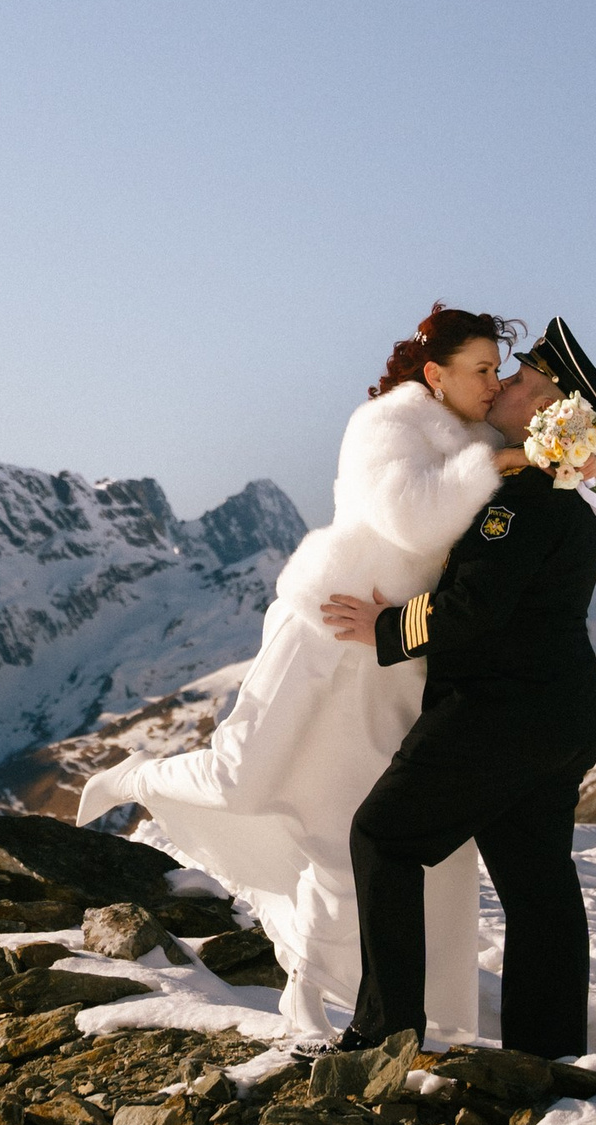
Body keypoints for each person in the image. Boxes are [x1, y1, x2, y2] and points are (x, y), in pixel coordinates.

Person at [75, 304, 524, 1043]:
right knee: (243, 775)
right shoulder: (387, 425)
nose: (493, 381)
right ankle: (138, 777)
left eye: (498, 368)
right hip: (325, 620)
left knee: (347, 830)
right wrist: (499, 463)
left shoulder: (480, 437)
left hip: (388, 651)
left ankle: (306, 993)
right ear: (435, 374)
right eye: (481, 367)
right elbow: (414, 518)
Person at [324, 316, 596, 1059]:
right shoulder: (571, 507)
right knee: (538, 889)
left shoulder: (517, 501)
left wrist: (386, 629)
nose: (505, 384)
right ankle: (544, 1057)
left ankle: (385, 1032)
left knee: (382, 836)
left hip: (498, 715)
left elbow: (474, 609)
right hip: (563, 721)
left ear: (554, 411)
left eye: (523, 380)